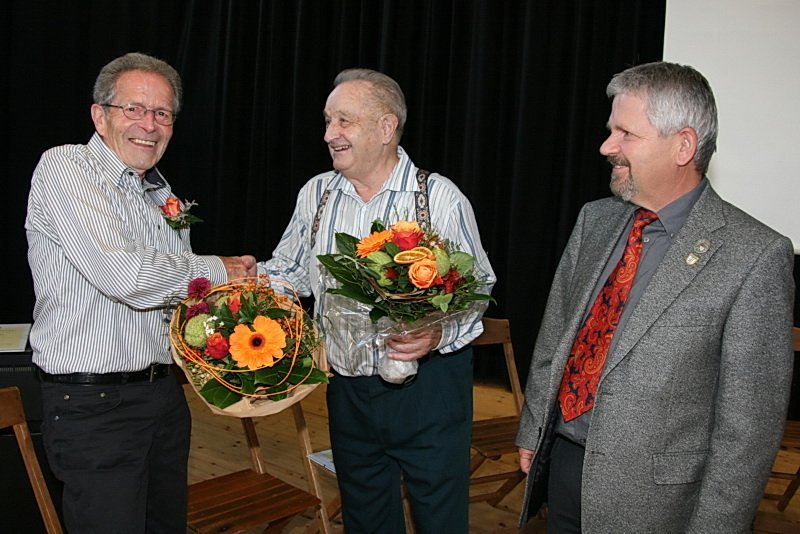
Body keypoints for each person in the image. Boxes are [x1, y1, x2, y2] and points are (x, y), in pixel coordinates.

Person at [516, 61, 795, 533]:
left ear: (683, 145)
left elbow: (747, 430)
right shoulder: (596, 220)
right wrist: (533, 428)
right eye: (611, 131)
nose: (607, 147)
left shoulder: (755, 255)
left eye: (626, 133)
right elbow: (556, 335)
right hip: (563, 466)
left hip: (659, 501)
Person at [25, 52, 257, 533]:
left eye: (162, 113)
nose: (148, 125)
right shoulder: (67, 168)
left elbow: (179, 293)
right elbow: (127, 276)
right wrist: (221, 271)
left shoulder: (158, 193)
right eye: (134, 109)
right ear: (100, 115)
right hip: (95, 406)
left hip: (163, 399)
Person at [258, 68, 496, 533]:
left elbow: (480, 286)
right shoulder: (317, 194)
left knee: (439, 520)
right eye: (328, 122)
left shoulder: (437, 197)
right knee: (365, 519)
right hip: (347, 391)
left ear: (386, 128)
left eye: (343, 121)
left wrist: (438, 331)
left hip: (429, 390)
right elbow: (286, 274)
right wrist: (245, 290)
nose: (330, 134)